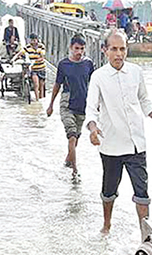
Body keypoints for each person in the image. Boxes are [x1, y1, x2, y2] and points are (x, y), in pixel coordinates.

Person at [86, 29, 152, 235]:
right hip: (111, 145)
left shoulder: (135, 72)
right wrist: (93, 128)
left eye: (122, 49)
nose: (119, 54)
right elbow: (91, 108)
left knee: (142, 193)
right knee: (109, 191)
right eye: (114, 49)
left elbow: (144, 100)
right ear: (104, 50)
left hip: (136, 144)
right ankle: (107, 226)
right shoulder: (98, 77)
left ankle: (146, 236)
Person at [47, 34, 94, 178]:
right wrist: (51, 105)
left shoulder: (88, 64)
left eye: (82, 49)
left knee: (76, 138)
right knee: (72, 136)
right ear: (70, 48)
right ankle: (75, 171)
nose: (79, 52)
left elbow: (94, 85)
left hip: (82, 105)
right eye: (76, 48)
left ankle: (67, 161)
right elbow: (57, 85)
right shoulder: (64, 65)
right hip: (67, 104)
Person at [11, 33, 46, 101]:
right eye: (31, 40)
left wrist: (34, 61)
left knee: (41, 86)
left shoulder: (41, 46)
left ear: (37, 40)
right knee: (36, 84)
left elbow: (42, 57)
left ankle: (41, 100)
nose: (33, 41)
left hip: (41, 67)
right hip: (33, 69)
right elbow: (20, 53)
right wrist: (13, 59)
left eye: (34, 40)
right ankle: (37, 100)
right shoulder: (27, 47)